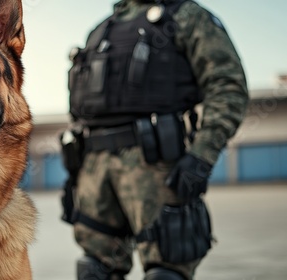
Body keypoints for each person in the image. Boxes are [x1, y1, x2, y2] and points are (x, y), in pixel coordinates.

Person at [60, 0, 248, 279]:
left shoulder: (187, 16)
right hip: (94, 170)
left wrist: (202, 156)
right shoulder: (102, 29)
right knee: (94, 268)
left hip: (155, 164)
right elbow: (83, 109)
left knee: (166, 269)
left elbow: (228, 87)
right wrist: (74, 175)